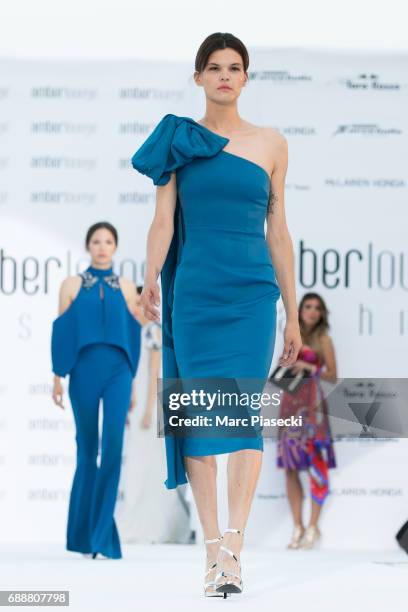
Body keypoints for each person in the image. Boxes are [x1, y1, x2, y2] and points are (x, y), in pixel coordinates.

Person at [131, 32, 301, 597]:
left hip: (253, 297)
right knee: (202, 422)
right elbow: (162, 220)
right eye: (214, 67)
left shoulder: (272, 144)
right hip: (197, 296)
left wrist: (294, 316)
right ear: (198, 77)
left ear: (246, 78)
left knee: (244, 417)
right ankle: (211, 551)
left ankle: (234, 546)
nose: (225, 76)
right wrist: (150, 275)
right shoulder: (179, 140)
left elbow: (278, 234)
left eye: (234, 67)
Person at [51, 222, 141, 560]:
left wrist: (132, 382)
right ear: (88, 246)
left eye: (108, 241)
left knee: (114, 449)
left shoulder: (128, 287)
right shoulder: (71, 285)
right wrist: (58, 376)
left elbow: (132, 336)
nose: (102, 247)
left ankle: (102, 534)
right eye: (96, 241)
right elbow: (62, 332)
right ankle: (83, 536)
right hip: (83, 372)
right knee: (87, 450)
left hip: (118, 372)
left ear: (115, 247)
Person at [117, 286, 189, 544]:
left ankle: (157, 526)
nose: (135, 308)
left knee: (152, 463)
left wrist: (148, 409)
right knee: (145, 463)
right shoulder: (142, 333)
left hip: (153, 408)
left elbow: (155, 372)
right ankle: (151, 524)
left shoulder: (153, 332)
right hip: (145, 407)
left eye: (140, 302)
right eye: (134, 303)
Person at [276, 292, 337, 550]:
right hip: (290, 405)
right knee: (290, 467)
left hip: (313, 408)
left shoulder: (324, 339)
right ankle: (297, 526)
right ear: (299, 310)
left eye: (317, 308)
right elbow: (281, 368)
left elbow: (333, 376)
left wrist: (311, 368)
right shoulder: (292, 335)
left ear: (322, 313)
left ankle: (313, 526)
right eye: (308, 306)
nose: (312, 311)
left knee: (316, 466)